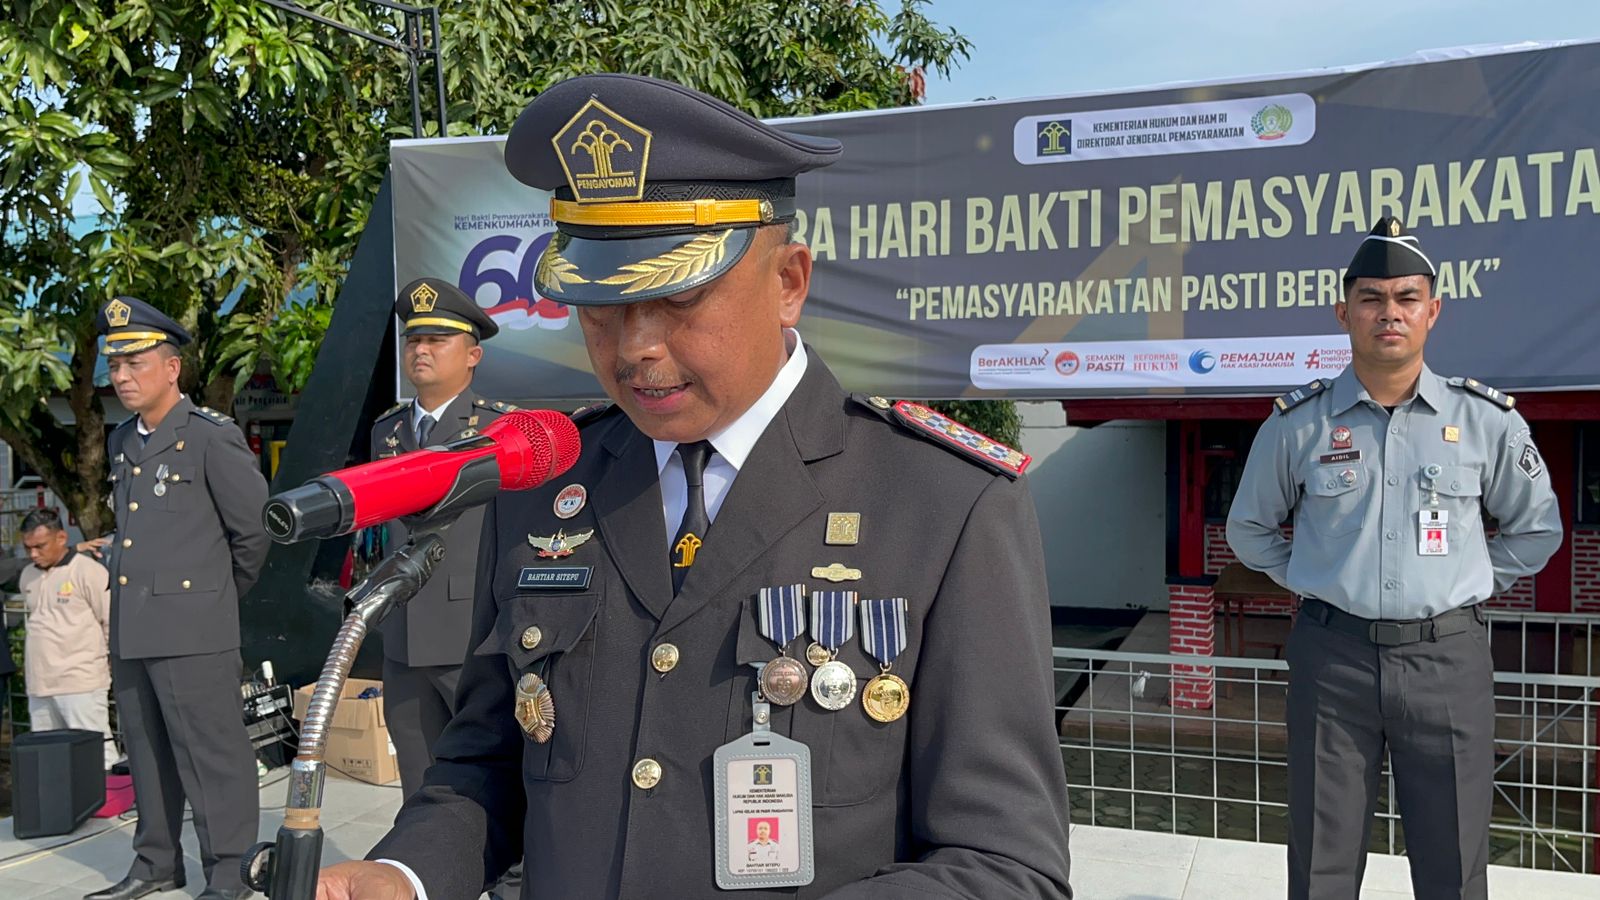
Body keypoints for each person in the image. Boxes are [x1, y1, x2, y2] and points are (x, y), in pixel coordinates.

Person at [317, 74, 1072, 900]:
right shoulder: (545, 486)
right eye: (601, 306)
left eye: (677, 297)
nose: (634, 347)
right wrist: (406, 872)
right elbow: (486, 763)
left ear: (788, 282)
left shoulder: (943, 505)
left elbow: (1007, 865)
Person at [1226, 217, 1562, 900]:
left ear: (1432, 311)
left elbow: (1537, 529)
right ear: (1343, 310)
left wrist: (1465, 580)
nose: (1390, 313)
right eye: (1373, 297)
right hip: (1332, 659)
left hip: (1447, 661)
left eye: (1407, 298)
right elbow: (1249, 530)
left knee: (1454, 863)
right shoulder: (1299, 424)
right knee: (1321, 862)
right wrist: (1316, 579)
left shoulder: (1486, 422)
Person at [85, 296, 270, 900]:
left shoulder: (211, 438)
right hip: (133, 626)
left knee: (212, 757)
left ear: (172, 369)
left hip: (194, 631)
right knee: (147, 752)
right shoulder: (121, 442)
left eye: (136, 362)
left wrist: (213, 602)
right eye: (116, 365)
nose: (122, 375)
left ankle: (231, 871)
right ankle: (156, 862)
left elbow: (253, 534)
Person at [368, 277, 514, 799]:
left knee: (495, 776)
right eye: (413, 339)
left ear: (472, 355)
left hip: (470, 637)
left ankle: (511, 884)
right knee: (420, 782)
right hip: (404, 636)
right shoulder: (387, 431)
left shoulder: (498, 430)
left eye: (437, 340)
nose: (420, 350)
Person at [17, 507, 118, 769]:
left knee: (96, 752)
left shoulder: (87, 571)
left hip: (81, 681)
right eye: (28, 548)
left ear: (61, 537)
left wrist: (108, 661)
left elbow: (110, 620)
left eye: (40, 546)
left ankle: (115, 805)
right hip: (40, 684)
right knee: (48, 758)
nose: (33, 554)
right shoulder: (28, 574)